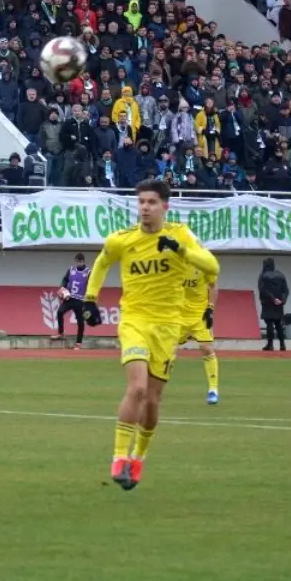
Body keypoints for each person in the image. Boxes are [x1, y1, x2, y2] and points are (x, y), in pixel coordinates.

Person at [81, 179, 219, 490]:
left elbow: (212, 266)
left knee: (153, 400)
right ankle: (118, 458)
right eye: (141, 202)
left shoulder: (180, 235)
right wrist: (90, 299)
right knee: (138, 387)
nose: (145, 207)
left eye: (151, 202)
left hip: (168, 327)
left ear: (165, 207)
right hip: (134, 322)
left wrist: (181, 251)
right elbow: (102, 263)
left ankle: (137, 460)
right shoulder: (123, 240)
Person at [178, 265, 220, 405]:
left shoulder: (203, 263)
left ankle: (213, 390)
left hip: (199, 316)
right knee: (164, 349)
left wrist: (211, 308)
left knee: (206, 348)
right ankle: (153, 388)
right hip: (179, 316)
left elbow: (213, 286)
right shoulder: (174, 261)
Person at [50, 253, 89, 348]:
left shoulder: (88, 272)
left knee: (80, 321)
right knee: (60, 312)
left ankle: (78, 343)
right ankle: (61, 333)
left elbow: (92, 285)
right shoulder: (71, 270)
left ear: (83, 261)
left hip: (80, 300)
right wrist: (63, 288)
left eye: (80, 261)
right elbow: (65, 280)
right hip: (70, 298)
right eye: (77, 261)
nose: (78, 263)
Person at [258, 258, 289, 351]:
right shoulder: (281, 275)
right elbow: (286, 290)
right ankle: (282, 345)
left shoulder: (263, 276)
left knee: (269, 324)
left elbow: (262, 289)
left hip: (267, 303)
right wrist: (282, 300)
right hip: (279, 304)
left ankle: (270, 344)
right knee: (279, 324)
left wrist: (272, 299)